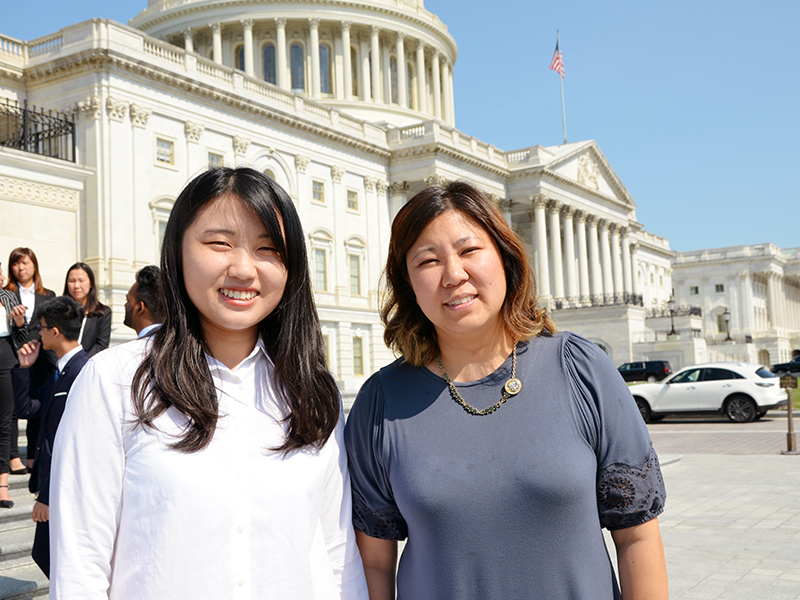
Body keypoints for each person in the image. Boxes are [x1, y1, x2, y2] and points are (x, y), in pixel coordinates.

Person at [50, 167, 368, 599]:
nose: (243, 268)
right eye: (219, 243)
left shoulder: (312, 389)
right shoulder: (114, 380)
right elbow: (80, 566)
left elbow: (336, 554)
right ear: (177, 250)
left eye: (267, 248)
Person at [345, 181, 668, 600]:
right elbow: (373, 562)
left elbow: (637, 538)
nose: (454, 275)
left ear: (504, 256)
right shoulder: (381, 403)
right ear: (407, 282)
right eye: (428, 260)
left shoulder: (582, 370)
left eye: (469, 251)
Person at [12, 296, 88, 577]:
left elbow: (71, 443)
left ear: (55, 331)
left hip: (63, 488)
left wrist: (47, 495)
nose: (38, 333)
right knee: (47, 556)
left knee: (52, 558)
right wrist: (23, 368)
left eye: (40, 328)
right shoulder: (60, 369)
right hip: (50, 482)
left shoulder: (83, 371)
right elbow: (28, 409)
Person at [5, 247, 56, 473]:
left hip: (43, 357)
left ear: (34, 265)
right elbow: (12, 333)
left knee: (38, 404)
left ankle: (33, 456)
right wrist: (19, 325)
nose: (21, 268)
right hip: (15, 356)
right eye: (16, 264)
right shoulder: (5, 294)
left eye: (25, 263)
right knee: (13, 407)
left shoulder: (49, 295)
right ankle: (13, 455)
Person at [0, 261, 28, 508]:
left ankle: (2, 485)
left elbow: (23, 335)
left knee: (6, 418)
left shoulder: (9, 297)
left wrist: (20, 322)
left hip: (7, 355)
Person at [62, 262, 111, 358]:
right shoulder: (59, 310)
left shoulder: (103, 313)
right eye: (71, 281)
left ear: (91, 283)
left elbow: (101, 345)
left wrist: (80, 365)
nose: (76, 285)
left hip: (86, 366)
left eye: (81, 280)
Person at [123, 265, 164, 337]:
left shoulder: (125, 348)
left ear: (140, 308)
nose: (125, 305)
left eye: (128, 301)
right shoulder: (183, 344)